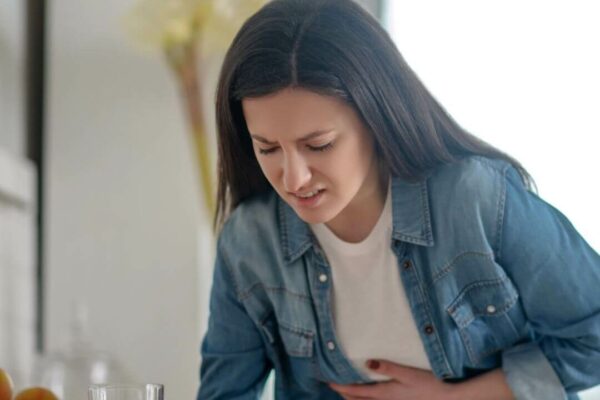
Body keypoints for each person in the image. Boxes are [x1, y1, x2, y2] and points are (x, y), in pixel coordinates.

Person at [196, 0, 600, 398]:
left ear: (376, 118)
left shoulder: (474, 200)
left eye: (319, 145)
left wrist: (454, 398)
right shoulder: (250, 240)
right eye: (267, 148)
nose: (294, 177)